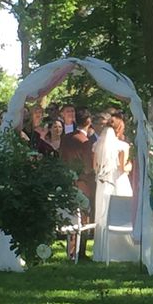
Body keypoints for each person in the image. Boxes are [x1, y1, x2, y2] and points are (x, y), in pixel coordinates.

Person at [93, 112, 135, 263]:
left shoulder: (97, 146)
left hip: (103, 183)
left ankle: (103, 249)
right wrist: (131, 165)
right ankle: (123, 247)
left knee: (103, 213)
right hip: (119, 182)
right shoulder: (123, 146)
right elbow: (123, 168)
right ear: (119, 129)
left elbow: (95, 167)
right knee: (123, 212)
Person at [60, 108, 96, 258]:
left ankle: (70, 249)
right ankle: (80, 251)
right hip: (83, 182)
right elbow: (88, 167)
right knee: (84, 217)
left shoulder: (66, 138)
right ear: (89, 121)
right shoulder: (85, 141)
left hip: (67, 180)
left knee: (71, 215)